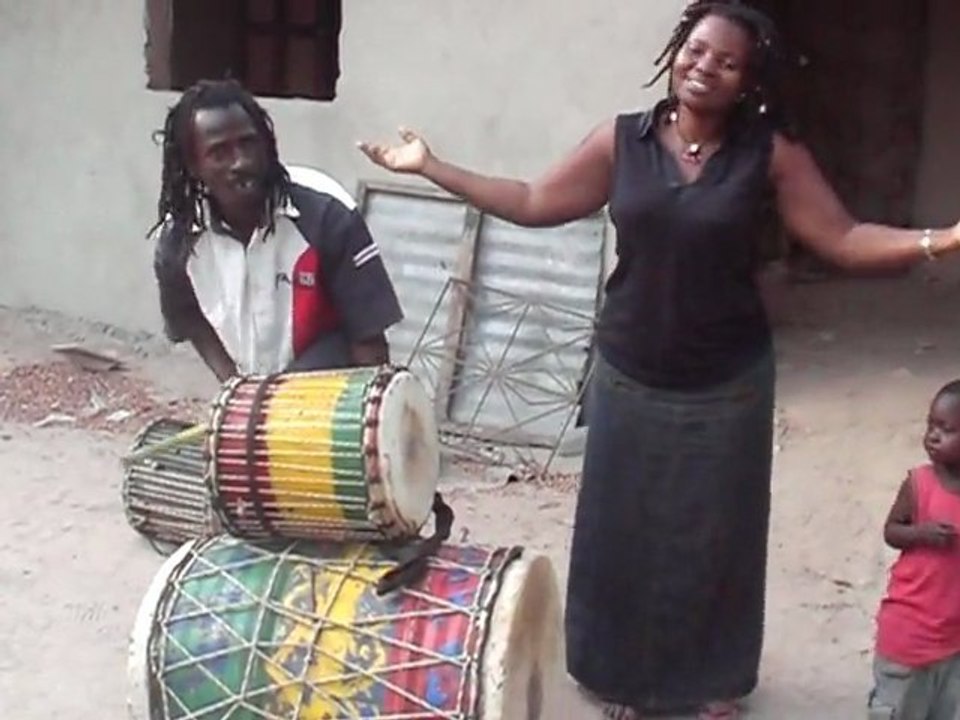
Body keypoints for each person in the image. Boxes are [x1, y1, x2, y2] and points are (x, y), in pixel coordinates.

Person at [356, 1, 960, 717]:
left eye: (727, 62)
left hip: (727, 380)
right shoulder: (623, 141)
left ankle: (711, 683)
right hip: (630, 373)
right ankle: (617, 678)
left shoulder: (770, 155)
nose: (705, 68)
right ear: (677, 51)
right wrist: (432, 168)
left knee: (715, 539)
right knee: (622, 533)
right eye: (697, 51)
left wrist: (940, 240)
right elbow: (532, 199)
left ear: (749, 82)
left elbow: (845, 236)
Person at [149, 80, 403, 381]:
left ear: (267, 143)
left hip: (332, 390)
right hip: (260, 396)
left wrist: (366, 416)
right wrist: (234, 386)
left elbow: (369, 344)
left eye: (248, 143)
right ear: (193, 165)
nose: (241, 161)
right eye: (220, 153)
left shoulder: (326, 216)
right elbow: (189, 320)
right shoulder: (179, 242)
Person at [869, 381, 960, 720]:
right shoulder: (919, 484)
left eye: (946, 429)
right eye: (930, 425)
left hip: (952, 643)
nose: (932, 435)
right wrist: (920, 533)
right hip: (908, 636)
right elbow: (891, 531)